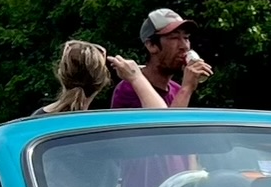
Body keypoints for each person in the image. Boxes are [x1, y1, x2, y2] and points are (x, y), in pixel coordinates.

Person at [112, 9, 215, 109]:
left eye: (186, 38)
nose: (184, 46)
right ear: (151, 45)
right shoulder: (130, 88)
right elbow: (166, 120)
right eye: (174, 38)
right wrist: (186, 89)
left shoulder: (176, 89)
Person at [33, 40, 163, 115]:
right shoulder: (100, 126)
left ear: (61, 73)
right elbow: (163, 119)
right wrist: (136, 78)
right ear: (103, 80)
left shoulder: (38, 120)